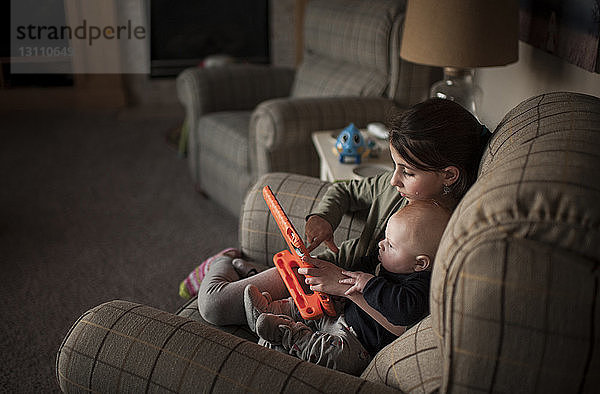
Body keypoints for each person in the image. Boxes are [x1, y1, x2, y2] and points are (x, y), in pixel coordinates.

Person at [195, 98, 491, 330]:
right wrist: (324, 217)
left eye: (408, 172)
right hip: (328, 268)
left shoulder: (445, 233)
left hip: (340, 289)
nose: (394, 179)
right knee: (215, 304)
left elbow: (404, 320)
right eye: (395, 166)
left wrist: (343, 285)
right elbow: (345, 191)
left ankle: (229, 262)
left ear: (449, 175)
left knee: (214, 306)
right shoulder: (394, 190)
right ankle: (229, 262)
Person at [243, 201, 451, 375]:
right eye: (385, 238)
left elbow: (404, 312)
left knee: (333, 356)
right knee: (313, 303)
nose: (381, 244)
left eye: (391, 245)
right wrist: (337, 280)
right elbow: (355, 270)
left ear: (420, 264)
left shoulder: (420, 285)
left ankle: (290, 334)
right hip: (340, 314)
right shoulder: (381, 260)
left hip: (356, 344)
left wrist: (368, 283)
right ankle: (274, 312)